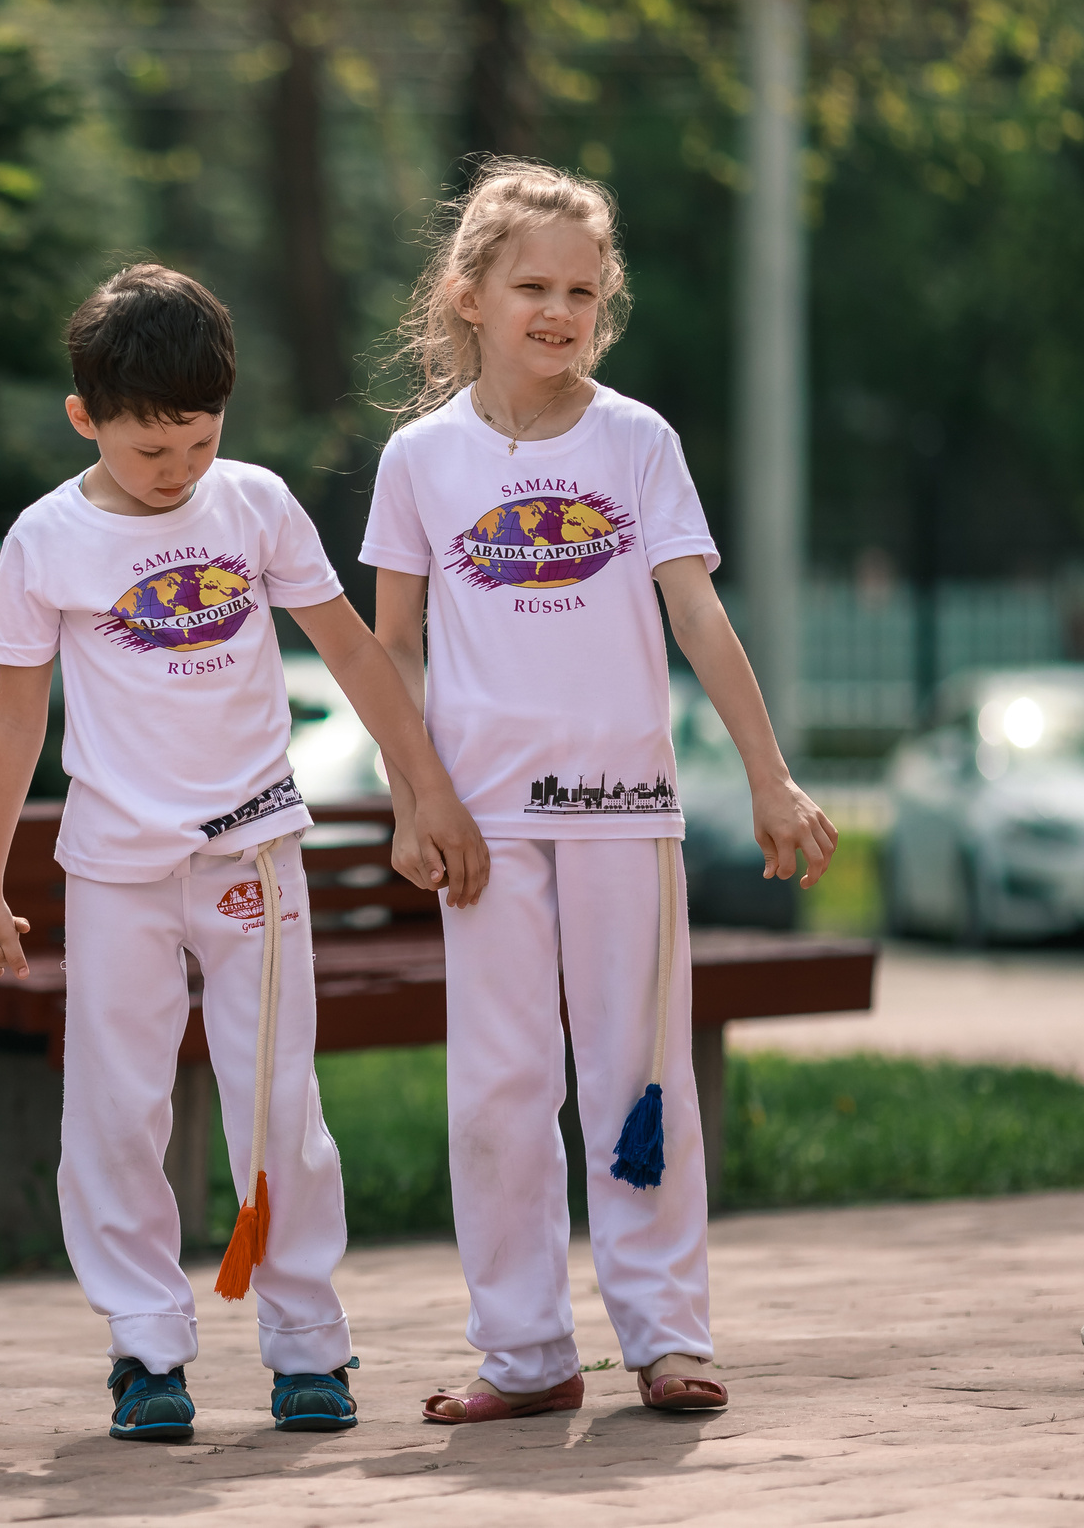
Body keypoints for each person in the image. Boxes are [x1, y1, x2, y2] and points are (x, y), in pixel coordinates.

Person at [0, 264, 492, 1443]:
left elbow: (353, 654)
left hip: (252, 852)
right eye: (151, 449)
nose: (178, 470)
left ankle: (307, 1341)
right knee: (114, 1107)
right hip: (117, 870)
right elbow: (15, 718)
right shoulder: (45, 540)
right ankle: (146, 1346)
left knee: (276, 1100)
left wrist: (427, 792)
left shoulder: (253, 504)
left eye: (199, 441)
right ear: (85, 418)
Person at [360, 156, 838, 1423]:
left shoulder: (637, 442)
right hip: (483, 824)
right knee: (499, 1086)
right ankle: (523, 1353)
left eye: (582, 290)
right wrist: (416, 797)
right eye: (532, 287)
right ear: (470, 296)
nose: (558, 311)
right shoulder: (418, 459)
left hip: (625, 810)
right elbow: (393, 646)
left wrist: (770, 776)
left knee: (637, 1069)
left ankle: (665, 1337)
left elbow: (698, 614)